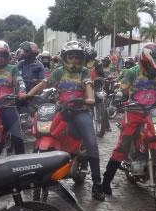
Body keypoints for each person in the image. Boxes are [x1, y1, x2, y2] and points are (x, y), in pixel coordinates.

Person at [101, 43, 156, 198]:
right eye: (151, 64)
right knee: (122, 145)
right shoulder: (132, 72)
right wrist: (120, 95)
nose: (153, 68)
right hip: (134, 113)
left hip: (154, 113)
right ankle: (106, 182)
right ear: (144, 59)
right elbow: (122, 87)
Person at [26, 40, 105, 201]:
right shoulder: (58, 72)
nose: (74, 60)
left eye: (77, 57)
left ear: (81, 59)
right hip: (61, 110)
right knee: (44, 132)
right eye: (71, 57)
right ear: (65, 58)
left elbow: (88, 86)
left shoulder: (84, 72)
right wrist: (28, 95)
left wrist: (89, 98)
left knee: (91, 143)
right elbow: (43, 84)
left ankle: (97, 185)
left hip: (80, 111)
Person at [0, 40, 26, 155]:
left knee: (17, 135)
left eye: (2, 56)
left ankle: (20, 161)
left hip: (8, 105)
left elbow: (19, 81)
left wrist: (22, 91)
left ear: (7, 56)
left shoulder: (12, 68)